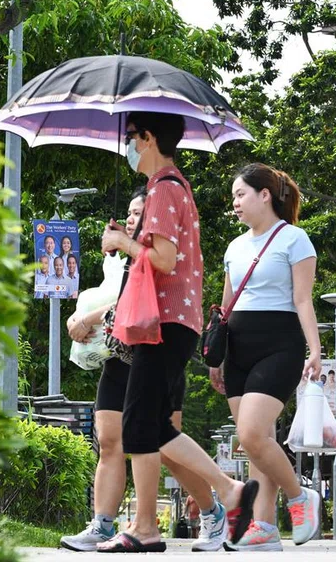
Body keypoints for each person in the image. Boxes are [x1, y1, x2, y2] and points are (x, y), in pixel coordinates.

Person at [94, 112, 258, 553]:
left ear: (148, 138)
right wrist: (130, 240)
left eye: (131, 136)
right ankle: (228, 492)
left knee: (139, 423)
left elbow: (165, 260)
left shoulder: (165, 188)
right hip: (170, 321)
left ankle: (149, 526)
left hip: (165, 321)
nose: (128, 146)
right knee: (151, 425)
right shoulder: (167, 187)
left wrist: (122, 243)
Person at [61, 190, 226, 553]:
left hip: (155, 357)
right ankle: (102, 524)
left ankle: (214, 510)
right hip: (120, 357)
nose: (133, 218)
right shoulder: (124, 259)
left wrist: (87, 318)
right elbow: (115, 301)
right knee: (109, 442)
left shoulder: (160, 256)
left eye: (141, 212)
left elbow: (136, 305)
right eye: (130, 213)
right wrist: (82, 316)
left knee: (164, 447)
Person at [208, 163, 323, 551]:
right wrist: (216, 357)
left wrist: (315, 350)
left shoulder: (294, 239)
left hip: (279, 345)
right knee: (256, 444)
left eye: (241, 194)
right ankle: (264, 527)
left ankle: (300, 497)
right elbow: (225, 307)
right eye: (233, 197)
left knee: (252, 433)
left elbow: (302, 300)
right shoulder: (234, 247)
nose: (235, 203)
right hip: (238, 349)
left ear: (265, 195)